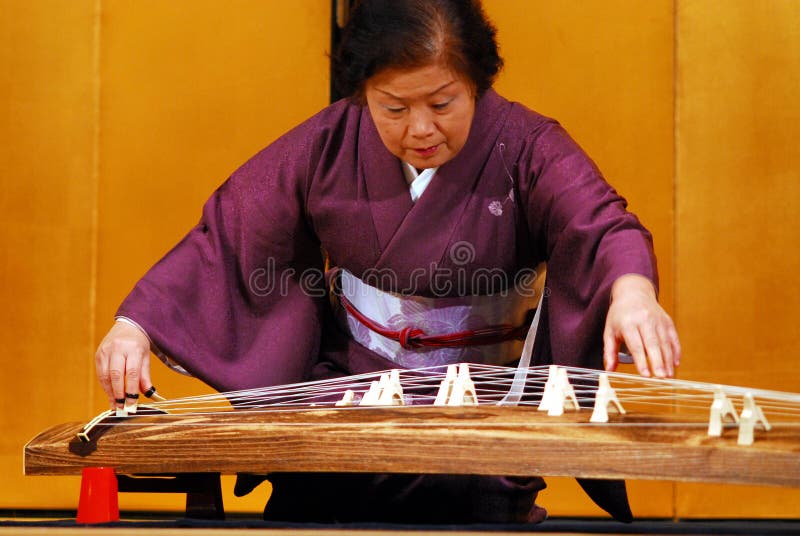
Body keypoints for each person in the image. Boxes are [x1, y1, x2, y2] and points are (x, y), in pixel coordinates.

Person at [95, 0, 680, 525]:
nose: (420, 128)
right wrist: (136, 325)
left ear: (477, 80)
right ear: (361, 93)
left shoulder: (527, 145)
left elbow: (599, 222)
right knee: (314, 483)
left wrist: (632, 291)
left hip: (480, 406)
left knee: (469, 486)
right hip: (352, 391)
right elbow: (231, 227)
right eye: (393, 107)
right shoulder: (326, 145)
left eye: (442, 102)